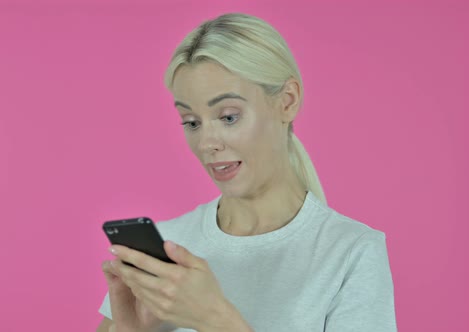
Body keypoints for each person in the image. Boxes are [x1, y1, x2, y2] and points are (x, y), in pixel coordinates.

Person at [96, 12, 397, 332]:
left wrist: (216, 320)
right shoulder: (170, 245)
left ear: (287, 101)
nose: (207, 143)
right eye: (191, 122)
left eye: (227, 117)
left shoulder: (351, 253)